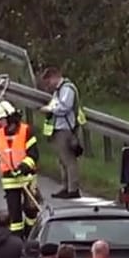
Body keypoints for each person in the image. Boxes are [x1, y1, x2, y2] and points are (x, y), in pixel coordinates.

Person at [0, 101, 39, 236]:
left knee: (31, 210)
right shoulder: (0, 133)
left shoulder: (26, 131)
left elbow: (34, 154)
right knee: (14, 213)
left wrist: (23, 167)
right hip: (9, 180)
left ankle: (30, 234)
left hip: (27, 177)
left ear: (9, 117)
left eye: (1, 119)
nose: (0, 123)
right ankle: (16, 240)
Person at [39, 66, 85, 200]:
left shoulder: (67, 89)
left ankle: (73, 189)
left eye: (48, 82)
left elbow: (64, 107)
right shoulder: (58, 91)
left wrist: (49, 109)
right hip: (58, 128)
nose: (48, 86)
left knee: (69, 160)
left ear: (54, 77)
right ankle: (66, 187)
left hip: (66, 128)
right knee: (62, 160)